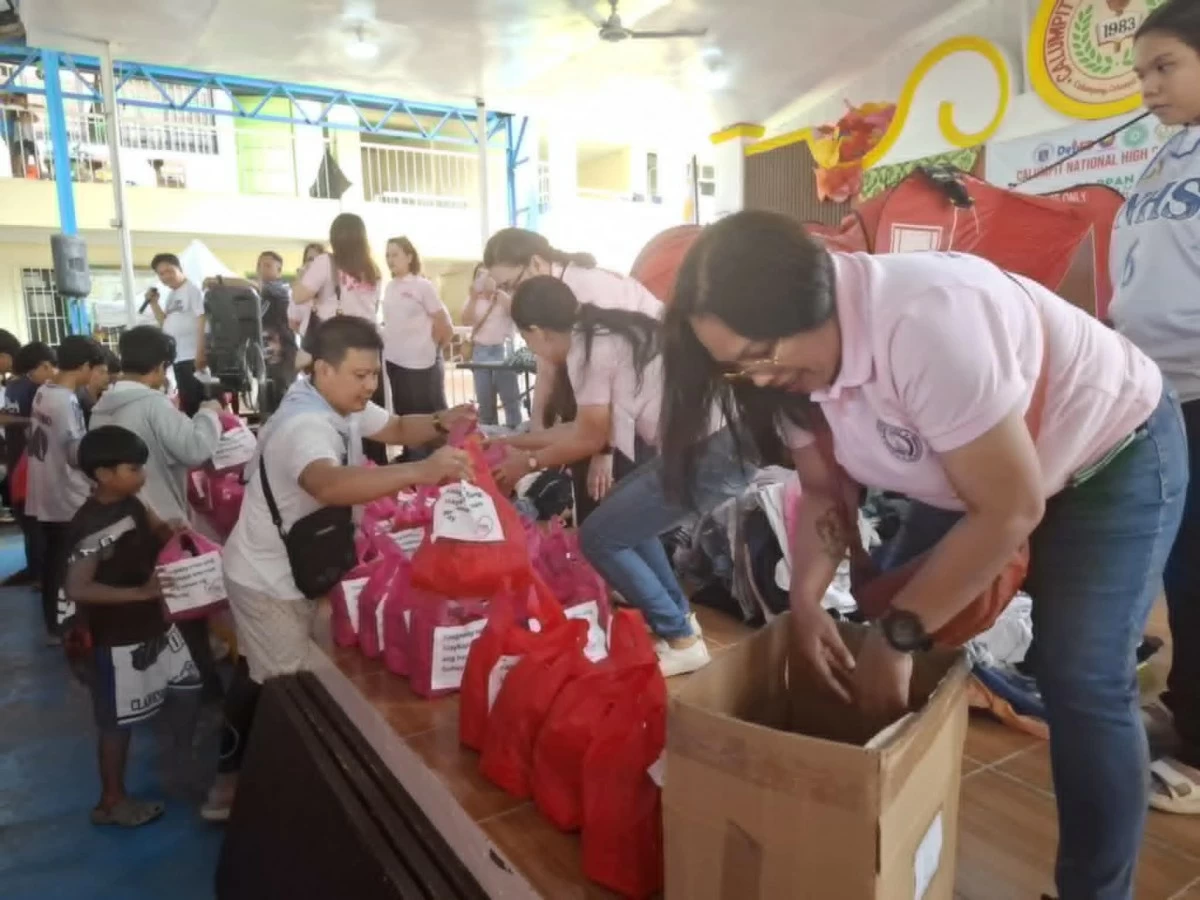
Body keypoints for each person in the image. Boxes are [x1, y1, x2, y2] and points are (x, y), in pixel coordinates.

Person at [658, 211, 1183, 900]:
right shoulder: (782, 375)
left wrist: (902, 636)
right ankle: (890, 831)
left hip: (1108, 453)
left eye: (761, 353)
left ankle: (1093, 891)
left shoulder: (927, 321)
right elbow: (823, 492)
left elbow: (1010, 509)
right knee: (890, 627)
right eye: (736, 367)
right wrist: (809, 602)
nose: (757, 376)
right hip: (970, 470)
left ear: (815, 301)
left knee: (1081, 677)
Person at [201, 316, 476, 821]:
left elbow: (393, 427)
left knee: (263, 673)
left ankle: (236, 771)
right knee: (282, 684)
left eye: (374, 374)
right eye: (360, 375)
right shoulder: (305, 425)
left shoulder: (335, 401)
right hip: (269, 577)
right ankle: (245, 789)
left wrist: (441, 419)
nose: (369, 385)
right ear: (323, 369)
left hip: (293, 565)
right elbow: (326, 484)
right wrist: (421, 470)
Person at [491, 276, 748, 677]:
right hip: (716, 441)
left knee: (597, 536)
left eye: (527, 340)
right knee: (622, 517)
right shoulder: (601, 332)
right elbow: (581, 429)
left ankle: (679, 636)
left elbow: (588, 437)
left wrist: (524, 465)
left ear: (536, 332)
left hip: (712, 449)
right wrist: (518, 442)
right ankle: (680, 617)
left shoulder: (586, 351)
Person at [1110, 0, 1200, 815]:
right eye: (1141, 70)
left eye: (1164, 65)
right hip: (1157, 394)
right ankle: (1187, 716)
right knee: (1182, 572)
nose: (1147, 86)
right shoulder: (1165, 157)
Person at [64, 425, 200, 828]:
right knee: (116, 724)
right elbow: (78, 587)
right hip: (116, 636)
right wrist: (142, 593)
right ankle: (111, 801)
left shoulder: (132, 502)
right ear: (104, 474)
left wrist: (175, 532)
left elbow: (158, 529)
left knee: (188, 687)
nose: (141, 475)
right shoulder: (93, 527)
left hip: (154, 624)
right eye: (132, 468)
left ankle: (179, 763)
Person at [484, 228, 662, 517]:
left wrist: (603, 450)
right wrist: (534, 437)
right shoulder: (551, 312)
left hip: (643, 415)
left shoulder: (589, 292)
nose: (512, 297)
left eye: (512, 285)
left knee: (610, 525)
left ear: (537, 264)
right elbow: (547, 371)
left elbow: (617, 383)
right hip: (622, 417)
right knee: (610, 525)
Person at [28, 335, 104, 645]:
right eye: (96, 369)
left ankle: (54, 625)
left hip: (45, 489)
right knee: (65, 565)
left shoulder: (43, 391)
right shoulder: (66, 400)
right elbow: (74, 451)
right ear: (85, 366)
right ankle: (64, 628)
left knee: (54, 563)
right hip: (66, 495)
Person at [293, 214, 387, 462]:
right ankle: (375, 471)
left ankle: (338, 468)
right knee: (370, 413)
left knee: (335, 412)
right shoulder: (372, 269)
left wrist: (303, 275)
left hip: (339, 348)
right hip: (368, 346)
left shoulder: (326, 262)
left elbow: (299, 296)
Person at [381, 236, 453, 460]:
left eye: (395, 254)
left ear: (409, 257)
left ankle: (435, 460)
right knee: (404, 413)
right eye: (387, 255)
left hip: (420, 363)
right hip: (394, 361)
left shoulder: (422, 285)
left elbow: (443, 323)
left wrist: (433, 351)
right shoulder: (390, 287)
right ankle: (412, 457)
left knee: (427, 415)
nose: (390, 260)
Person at [2, 341, 56, 587]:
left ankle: (35, 569)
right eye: (50, 366)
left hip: (17, 459)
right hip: (30, 460)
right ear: (41, 366)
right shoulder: (36, 389)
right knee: (35, 518)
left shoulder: (12, 387)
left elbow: (4, 416)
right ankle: (41, 572)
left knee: (27, 517)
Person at [144, 253, 207, 417]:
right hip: (179, 358)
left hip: (192, 357)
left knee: (198, 405)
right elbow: (165, 323)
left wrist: (200, 353)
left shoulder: (192, 290)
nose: (165, 276)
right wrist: (154, 303)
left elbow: (203, 320)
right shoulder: (172, 295)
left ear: (179, 268)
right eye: (161, 274)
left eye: (169, 271)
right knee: (187, 403)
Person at [462, 263, 522, 429]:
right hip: (480, 350)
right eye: (479, 275)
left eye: (488, 274)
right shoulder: (474, 298)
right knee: (485, 401)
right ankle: (488, 440)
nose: (484, 279)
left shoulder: (504, 295)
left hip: (503, 349)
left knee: (510, 400)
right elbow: (466, 320)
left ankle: (515, 436)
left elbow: (516, 313)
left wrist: (497, 293)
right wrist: (474, 298)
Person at [77, 348, 120, 426]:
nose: (107, 377)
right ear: (87, 370)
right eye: (102, 372)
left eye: (108, 373)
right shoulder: (79, 402)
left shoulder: (105, 399)